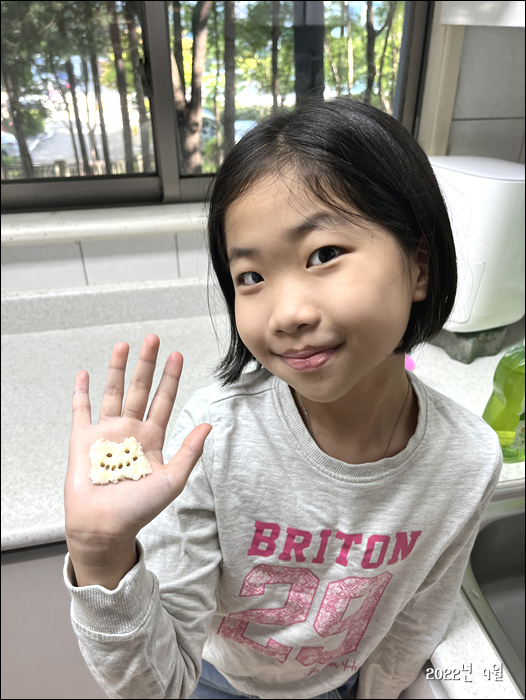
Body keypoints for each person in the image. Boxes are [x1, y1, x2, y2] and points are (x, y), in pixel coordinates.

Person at [63, 98, 502, 700]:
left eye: (324, 255)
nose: (286, 314)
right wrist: (100, 553)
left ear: (419, 266)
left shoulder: (466, 463)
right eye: (251, 277)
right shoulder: (212, 440)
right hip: (217, 679)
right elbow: (158, 686)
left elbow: (413, 625)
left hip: (342, 683)